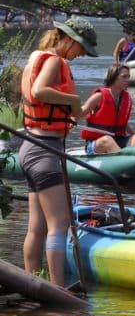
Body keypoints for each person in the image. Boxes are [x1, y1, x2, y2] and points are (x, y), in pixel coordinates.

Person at [18, 16, 97, 286]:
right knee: (60, 223)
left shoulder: (36, 58)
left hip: (31, 145)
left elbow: (59, 116)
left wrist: (83, 108)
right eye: (81, 48)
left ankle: (31, 281)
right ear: (70, 40)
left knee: (37, 226)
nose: (81, 55)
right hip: (44, 151)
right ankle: (56, 287)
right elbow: (40, 91)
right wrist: (74, 99)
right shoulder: (55, 60)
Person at [79, 64, 135, 155]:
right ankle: (125, 162)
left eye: (128, 77)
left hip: (118, 140)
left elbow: (122, 122)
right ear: (113, 77)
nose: (128, 80)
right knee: (108, 140)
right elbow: (81, 112)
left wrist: (133, 135)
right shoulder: (99, 96)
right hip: (96, 144)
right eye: (124, 77)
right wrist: (71, 120)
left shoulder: (125, 98)